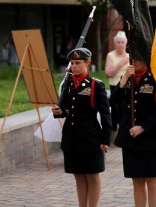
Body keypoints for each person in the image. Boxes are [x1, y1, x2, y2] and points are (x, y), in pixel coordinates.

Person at [52, 48, 112, 207]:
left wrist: (106, 138)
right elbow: (65, 110)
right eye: (72, 63)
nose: (74, 66)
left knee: (92, 175)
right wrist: (58, 112)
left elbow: (106, 114)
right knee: (78, 175)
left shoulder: (95, 85)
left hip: (90, 138)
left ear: (88, 63)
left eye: (78, 63)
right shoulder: (67, 83)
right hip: (72, 137)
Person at [114, 57, 156, 207]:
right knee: (137, 181)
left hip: (150, 138)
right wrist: (125, 77)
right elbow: (114, 100)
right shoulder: (128, 78)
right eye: (132, 58)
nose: (134, 61)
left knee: (152, 180)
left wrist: (143, 127)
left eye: (138, 58)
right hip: (130, 138)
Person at [104, 31, 129, 134]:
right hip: (115, 86)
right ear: (114, 44)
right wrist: (120, 64)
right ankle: (113, 132)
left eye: (122, 42)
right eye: (118, 42)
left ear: (126, 43)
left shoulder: (129, 56)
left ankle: (125, 131)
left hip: (127, 86)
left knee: (125, 110)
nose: (120, 44)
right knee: (115, 110)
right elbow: (108, 73)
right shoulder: (110, 55)